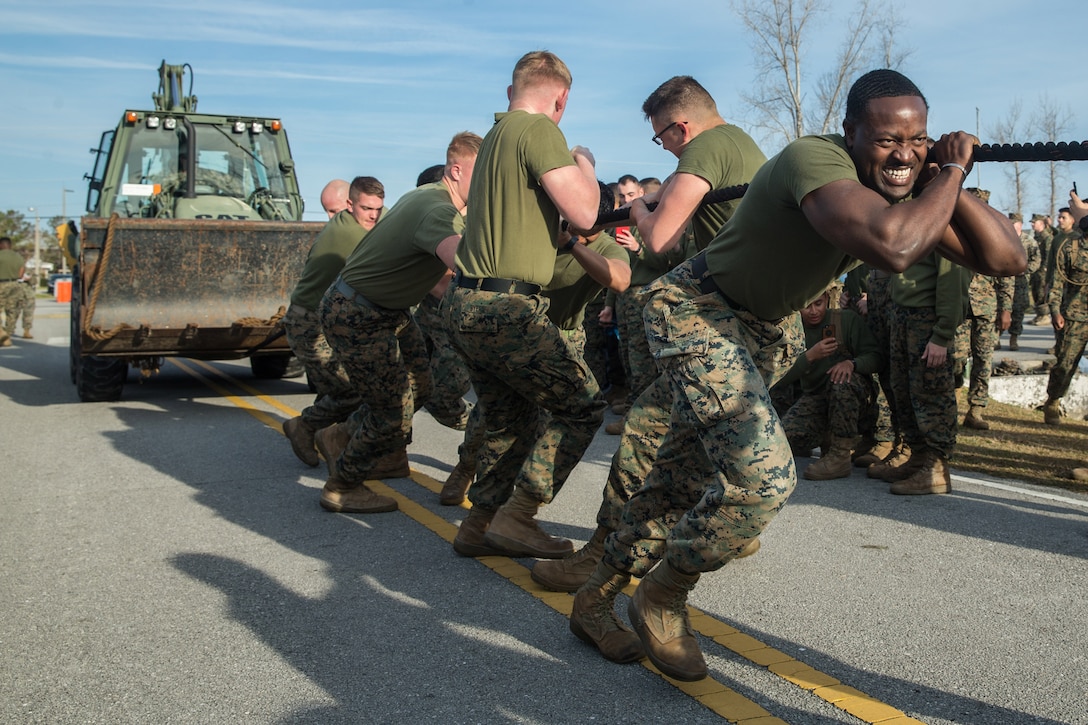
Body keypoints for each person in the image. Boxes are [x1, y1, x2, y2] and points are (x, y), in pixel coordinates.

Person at [568, 69, 1024, 681]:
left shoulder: (904, 184)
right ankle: (663, 594)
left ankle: (593, 602)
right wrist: (947, 172)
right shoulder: (819, 161)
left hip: (757, 329)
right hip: (697, 311)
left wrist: (947, 173)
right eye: (888, 139)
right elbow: (893, 246)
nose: (903, 153)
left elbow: (1007, 259)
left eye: (918, 140)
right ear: (851, 134)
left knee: (681, 474)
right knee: (763, 480)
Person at [533, 76, 767, 591]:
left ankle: (602, 556)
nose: (664, 147)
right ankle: (721, 528)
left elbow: (661, 238)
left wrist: (640, 210)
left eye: (662, 137)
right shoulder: (745, 146)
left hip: (724, 323)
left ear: (681, 127)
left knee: (648, 432)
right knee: (696, 441)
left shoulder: (706, 147)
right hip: (749, 321)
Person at [443, 50, 604, 560]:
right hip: (505, 307)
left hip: (467, 300)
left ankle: (480, 524)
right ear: (561, 97)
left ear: (513, 90)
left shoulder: (494, 137)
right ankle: (519, 517)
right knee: (582, 405)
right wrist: (584, 164)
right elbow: (585, 212)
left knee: (510, 419)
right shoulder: (538, 130)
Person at [316, 131, 481, 513]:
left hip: (387, 311)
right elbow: (464, 264)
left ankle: (341, 436)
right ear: (456, 171)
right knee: (393, 410)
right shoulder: (437, 210)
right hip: (360, 314)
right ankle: (342, 484)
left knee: (419, 387)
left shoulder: (427, 197)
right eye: (482, 171)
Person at [441, 182, 632, 507]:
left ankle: (510, 502)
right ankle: (466, 466)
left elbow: (620, 279)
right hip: (515, 328)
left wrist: (572, 244)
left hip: (562, 336)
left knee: (543, 421)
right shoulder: (540, 234)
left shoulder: (605, 248)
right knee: (494, 411)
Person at [281, 176, 385, 467]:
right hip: (309, 324)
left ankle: (329, 438)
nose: (373, 215)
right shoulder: (349, 234)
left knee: (339, 386)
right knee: (350, 389)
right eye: (366, 209)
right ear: (350, 205)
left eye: (377, 209)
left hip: (332, 320)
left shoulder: (366, 216)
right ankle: (304, 427)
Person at [778, 286, 885, 480]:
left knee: (842, 383)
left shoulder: (845, 320)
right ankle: (826, 436)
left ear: (827, 299)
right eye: (806, 306)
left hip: (855, 402)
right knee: (784, 438)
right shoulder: (791, 331)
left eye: (818, 303)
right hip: (817, 400)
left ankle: (840, 454)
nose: (813, 311)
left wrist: (852, 363)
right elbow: (779, 377)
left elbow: (876, 357)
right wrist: (809, 357)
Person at [952, 189, 1013, 431]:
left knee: (983, 360)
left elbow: (1007, 275)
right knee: (955, 358)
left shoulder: (996, 235)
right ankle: (953, 399)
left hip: (986, 309)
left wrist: (1005, 309)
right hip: (960, 308)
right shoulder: (955, 234)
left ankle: (976, 409)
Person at [1040, 210, 1088, 426]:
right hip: (1074, 316)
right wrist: (1055, 311)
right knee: (1065, 363)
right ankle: (1053, 402)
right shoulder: (1070, 249)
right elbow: (1057, 283)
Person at [995, 212, 1040, 351]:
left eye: (1013, 224)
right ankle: (996, 337)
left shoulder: (1029, 241)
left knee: (1018, 312)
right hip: (1004, 281)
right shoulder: (1003, 239)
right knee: (1000, 309)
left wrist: (1025, 270)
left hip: (1021, 283)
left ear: (1020, 225)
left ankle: (1013, 339)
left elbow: (1036, 260)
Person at [0, 236, 26, 347]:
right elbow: (21, 273)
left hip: (1, 284)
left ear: (1, 245)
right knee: (12, 312)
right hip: (15, 285)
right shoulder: (18, 257)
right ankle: (8, 337)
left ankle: (1, 332)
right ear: (10, 245)